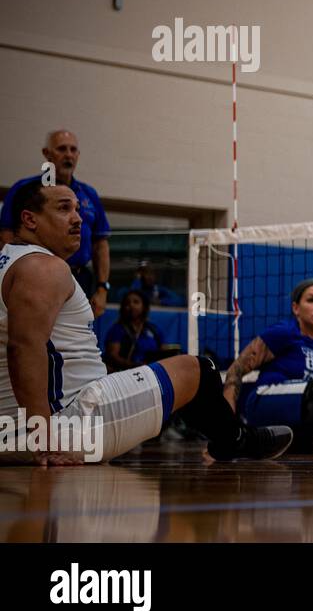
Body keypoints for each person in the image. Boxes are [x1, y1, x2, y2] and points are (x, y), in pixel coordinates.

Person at [0, 181, 290, 464]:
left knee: (170, 380)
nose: (78, 219)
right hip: (64, 427)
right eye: (64, 209)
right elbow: (23, 346)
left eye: (77, 209)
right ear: (29, 219)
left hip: (12, 431)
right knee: (198, 369)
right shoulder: (42, 267)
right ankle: (236, 441)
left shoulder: (10, 262)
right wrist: (43, 435)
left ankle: (226, 439)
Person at [0, 130, 112, 318]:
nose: (68, 154)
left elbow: (100, 245)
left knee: (77, 336)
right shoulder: (25, 190)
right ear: (47, 153)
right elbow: (6, 236)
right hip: (35, 275)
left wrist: (102, 288)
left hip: (80, 276)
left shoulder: (89, 194)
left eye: (73, 149)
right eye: (62, 149)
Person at [222, 279, 313, 453]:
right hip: (264, 400)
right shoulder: (283, 332)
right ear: (296, 308)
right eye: (311, 300)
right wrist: (225, 428)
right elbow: (235, 371)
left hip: (297, 409)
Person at [103, 289, 166, 372]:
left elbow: (163, 353)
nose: (131, 305)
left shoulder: (153, 329)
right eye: (127, 303)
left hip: (152, 372)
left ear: (144, 306)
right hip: (125, 373)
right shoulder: (117, 329)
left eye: (136, 302)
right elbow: (113, 356)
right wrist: (134, 366)